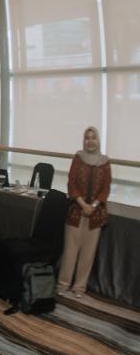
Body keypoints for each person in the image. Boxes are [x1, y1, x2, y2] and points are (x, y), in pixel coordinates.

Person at [57, 126, 111, 299]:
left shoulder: (105, 161)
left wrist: (93, 206)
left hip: (95, 215)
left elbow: (105, 189)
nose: (90, 141)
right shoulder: (78, 158)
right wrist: (82, 204)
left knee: (88, 254)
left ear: (98, 140)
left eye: (93, 137)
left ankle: (79, 288)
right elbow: (71, 184)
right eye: (87, 138)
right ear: (84, 140)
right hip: (76, 212)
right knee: (70, 251)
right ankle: (63, 284)